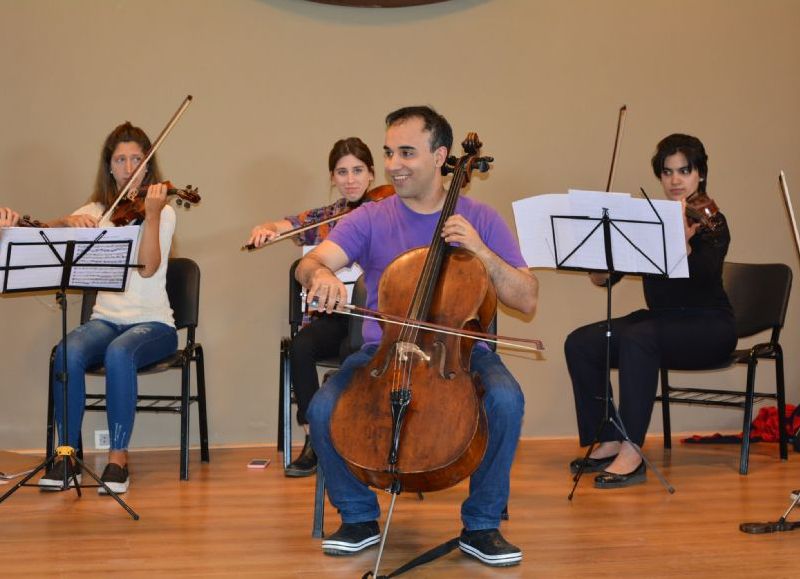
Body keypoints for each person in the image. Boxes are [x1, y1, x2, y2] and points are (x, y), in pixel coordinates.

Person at [296, 106, 538, 567]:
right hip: (382, 350)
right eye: (389, 152)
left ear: (441, 156)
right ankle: (358, 517)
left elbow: (526, 298)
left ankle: (482, 525)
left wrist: (482, 252)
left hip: (460, 354)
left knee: (507, 399)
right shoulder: (370, 217)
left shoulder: (480, 218)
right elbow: (309, 262)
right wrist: (319, 275)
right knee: (323, 408)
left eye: (406, 152)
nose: (393, 164)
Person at [565, 133, 737, 489]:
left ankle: (632, 449)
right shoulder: (649, 220)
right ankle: (610, 437)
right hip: (661, 323)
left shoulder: (713, 223)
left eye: (684, 171)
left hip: (710, 326)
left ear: (700, 174)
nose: (675, 180)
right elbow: (606, 279)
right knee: (581, 342)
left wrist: (684, 242)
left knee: (639, 337)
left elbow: (705, 277)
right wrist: (599, 267)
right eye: (667, 172)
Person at [39, 121, 178, 495]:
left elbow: (148, 269)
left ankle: (118, 459)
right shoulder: (99, 209)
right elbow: (46, 232)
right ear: (110, 166)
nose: (130, 167)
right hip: (106, 320)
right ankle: (67, 456)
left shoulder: (161, 211)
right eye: (121, 159)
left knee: (119, 354)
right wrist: (66, 222)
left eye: (137, 159)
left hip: (153, 325)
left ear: (148, 166)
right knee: (66, 353)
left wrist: (149, 216)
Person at [246, 137, 376, 477]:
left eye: (358, 171)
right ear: (332, 178)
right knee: (301, 346)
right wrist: (266, 229)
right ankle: (314, 438)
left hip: (372, 317)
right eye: (342, 172)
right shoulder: (323, 218)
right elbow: (282, 226)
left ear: (372, 175)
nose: (351, 179)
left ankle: (355, 435)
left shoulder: (386, 213)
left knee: (356, 347)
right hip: (334, 314)